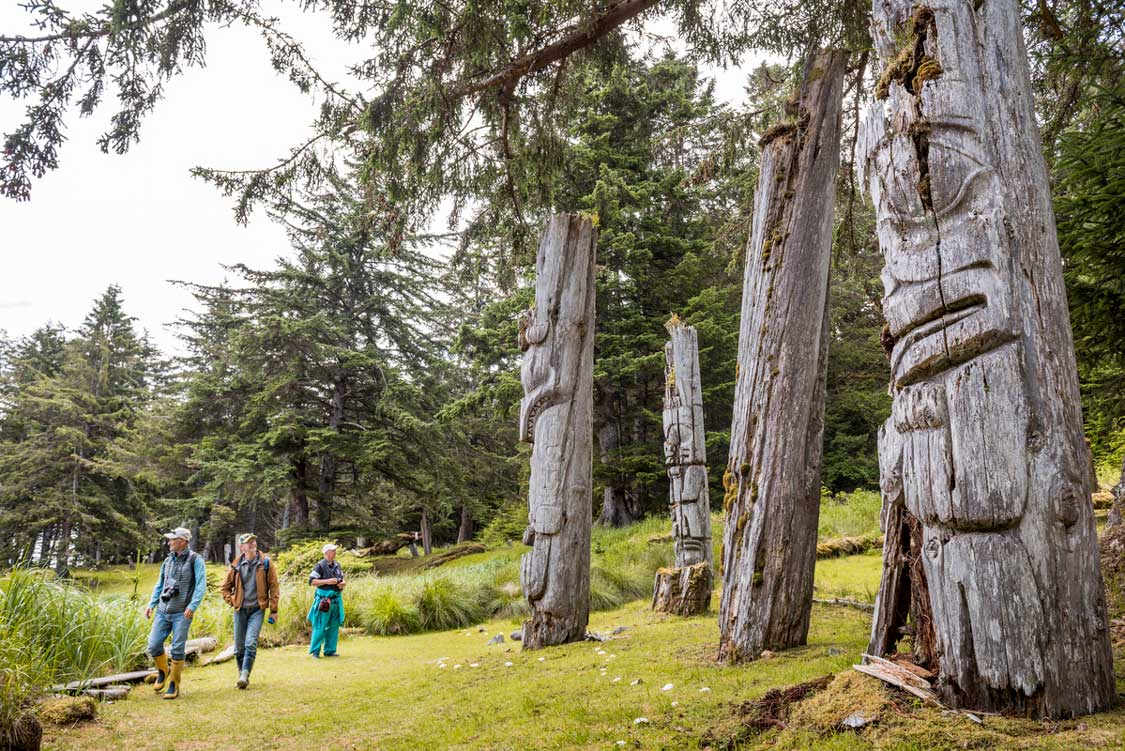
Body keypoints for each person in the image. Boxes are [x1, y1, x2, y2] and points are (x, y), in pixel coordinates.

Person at [144, 527, 206, 700]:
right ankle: (163, 671)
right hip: (163, 612)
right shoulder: (168, 561)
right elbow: (160, 585)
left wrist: (192, 606)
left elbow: (201, 586)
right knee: (154, 645)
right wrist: (151, 604)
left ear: (183, 541)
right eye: (170, 539)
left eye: (173, 539)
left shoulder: (196, 560)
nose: (169, 542)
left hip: (182, 613)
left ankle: (174, 684)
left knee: (178, 648)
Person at [220, 533, 280, 689]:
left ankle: (245, 674)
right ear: (242, 547)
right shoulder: (236, 565)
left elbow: (274, 587)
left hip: (257, 610)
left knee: (251, 642)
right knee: (239, 646)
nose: (252, 543)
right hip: (240, 610)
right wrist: (232, 601)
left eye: (254, 541)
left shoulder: (266, 563)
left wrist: (274, 610)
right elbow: (225, 588)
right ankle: (242, 674)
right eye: (248, 542)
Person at [306, 543, 346, 658]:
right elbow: (312, 581)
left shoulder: (337, 565)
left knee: (333, 626)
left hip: (336, 600)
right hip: (323, 601)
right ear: (326, 553)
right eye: (332, 550)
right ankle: (315, 652)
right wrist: (328, 581)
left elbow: (341, 580)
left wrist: (343, 584)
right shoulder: (319, 566)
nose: (335, 552)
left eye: (335, 550)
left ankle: (329, 651)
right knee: (320, 626)